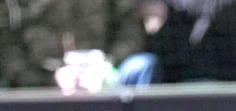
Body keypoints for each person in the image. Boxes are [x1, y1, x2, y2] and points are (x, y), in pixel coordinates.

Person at [0, 0, 147, 88]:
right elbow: (9, 51)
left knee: (142, 65)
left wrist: (106, 65)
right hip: (39, 84)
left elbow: (131, 33)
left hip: (104, 73)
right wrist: (53, 78)